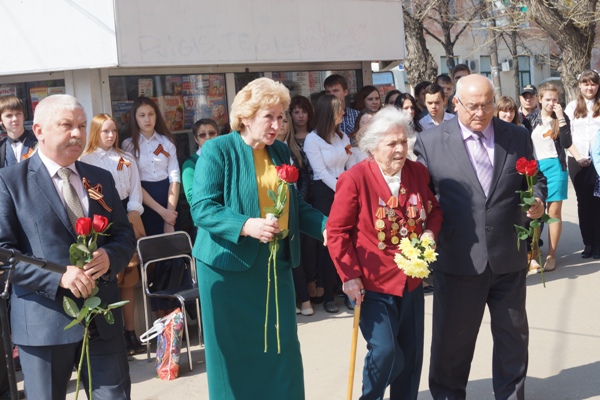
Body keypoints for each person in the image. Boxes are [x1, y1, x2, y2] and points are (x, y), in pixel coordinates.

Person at [190, 77, 327, 400]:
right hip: (227, 270)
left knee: (282, 349)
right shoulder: (217, 150)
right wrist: (245, 225)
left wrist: (325, 226)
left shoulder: (280, 150)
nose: (278, 126)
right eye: (269, 117)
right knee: (234, 355)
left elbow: (295, 205)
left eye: (281, 117)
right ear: (246, 117)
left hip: (274, 266)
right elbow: (202, 208)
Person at [414, 74, 547, 400]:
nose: (480, 112)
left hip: (508, 257)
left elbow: (535, 179)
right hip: (458, 259)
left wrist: (537, 200)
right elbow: (421, 199)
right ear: (455, 103)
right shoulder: (430, 142)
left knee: (513, 339)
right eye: (473, 106)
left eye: (487, 105)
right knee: (452, 344)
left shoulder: (516, 135)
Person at [0, 94, 135, 399]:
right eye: (66, 125)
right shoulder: (9, 182)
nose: (77, 133)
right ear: (39, 130)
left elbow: (124, 235)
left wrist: (110, 257)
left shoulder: (100, 178)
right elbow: (4, 255)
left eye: (82, 125)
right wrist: (58, 276)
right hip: (43, 325)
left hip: (100, 320)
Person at [327, 107, 443, 400]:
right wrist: (349, 276)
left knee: (411, 355)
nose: (400, 149)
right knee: (386, 351)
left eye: (403, 142)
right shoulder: (354, 179)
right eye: (392, 143)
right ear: (373, 146)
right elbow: (337, 232)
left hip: (411, 280)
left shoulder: (417, 172)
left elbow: (434, 211)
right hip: (372, 282)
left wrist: (430, 232)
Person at [80, 113, 146, 355]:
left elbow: (136, 189)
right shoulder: (85, 160)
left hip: (126, 217)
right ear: (96, 133)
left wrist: (132, 212)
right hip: (100, 220)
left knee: (128, 277)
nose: (110, 135)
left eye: (114, 131)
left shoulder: (125, 158)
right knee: (107, 280)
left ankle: (130, 331)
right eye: (105, 131)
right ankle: (111, 334)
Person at [122, 96, 180, 317]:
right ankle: (160, 319)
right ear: (135, 118)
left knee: (171, 261)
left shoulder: (166, 142)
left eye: (151, 114)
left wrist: (169, 213)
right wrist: (162, 212)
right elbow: (134, 183)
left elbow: (174, 177)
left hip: (168, 200)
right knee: (152, 263)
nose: (147, 119)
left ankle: (174, 317)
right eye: (142, 115)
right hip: (146, 205)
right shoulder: (128, 145)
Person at [304, 94, 358, 313]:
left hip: (343, 187)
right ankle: (328, 294)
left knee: (350, 240)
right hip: (325, 192)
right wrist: (344, 189)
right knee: (330, 243)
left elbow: (351, 162)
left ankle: (348, 291)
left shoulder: (342, 136)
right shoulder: (312, 139)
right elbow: (321, 172)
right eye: (339, 109)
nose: (343, 113)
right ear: (329, 113)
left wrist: (351, 186)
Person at [525, 82, 572, 272]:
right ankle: (534, 252)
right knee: (536, 211)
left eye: (555, 99)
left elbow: (567, 143)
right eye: (548, 99)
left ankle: (552, 255)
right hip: (536, 168)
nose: (552, 103)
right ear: (540, 99)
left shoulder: (561, 118)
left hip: (556, 167)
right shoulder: (530, 119)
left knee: (554, 213)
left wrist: (561, 119)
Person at [564, 70, 600, 259]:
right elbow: (566, 136)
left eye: (593, 83)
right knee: (583, 203)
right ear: (580, 85)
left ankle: (598, 243)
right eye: (586, 83)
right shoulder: (572, 107)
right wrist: (578, 157)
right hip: (577, 160)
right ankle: (588, 243)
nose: (590, 87)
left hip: (598, 162)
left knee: (597, 203)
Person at [181, 118, 219, 207]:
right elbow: (191, 197)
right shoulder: (190, 164)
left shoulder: (226, 157)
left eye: (212, 133)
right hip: (206, 211)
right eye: (202, 135)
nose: (208, 137)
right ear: (196, 139)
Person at [0, 96, 37, 167]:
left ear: (24, 116)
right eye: (9, 115)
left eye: (18, 114)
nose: (15, 119)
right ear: (1, 120)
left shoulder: (38, 142)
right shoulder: (1, 148)